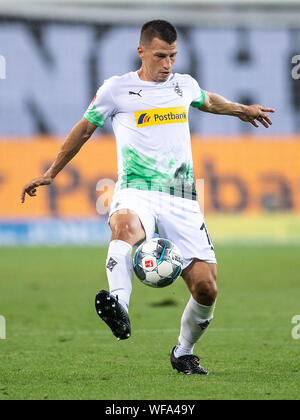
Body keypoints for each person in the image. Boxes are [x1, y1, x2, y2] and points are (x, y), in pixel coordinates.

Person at [21, 20, 275, 375]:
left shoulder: (183, 85)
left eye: (172, 56)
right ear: (142, 51)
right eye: (160, 56)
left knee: (207, 289)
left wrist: (241, 109)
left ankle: (183, 352)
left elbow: (209, 101)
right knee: (124, 227)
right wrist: (51, 173)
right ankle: (119, 306)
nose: (167, 64)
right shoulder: (116, 89)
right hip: (135, 190)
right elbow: (83, 130)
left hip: (182, 196)